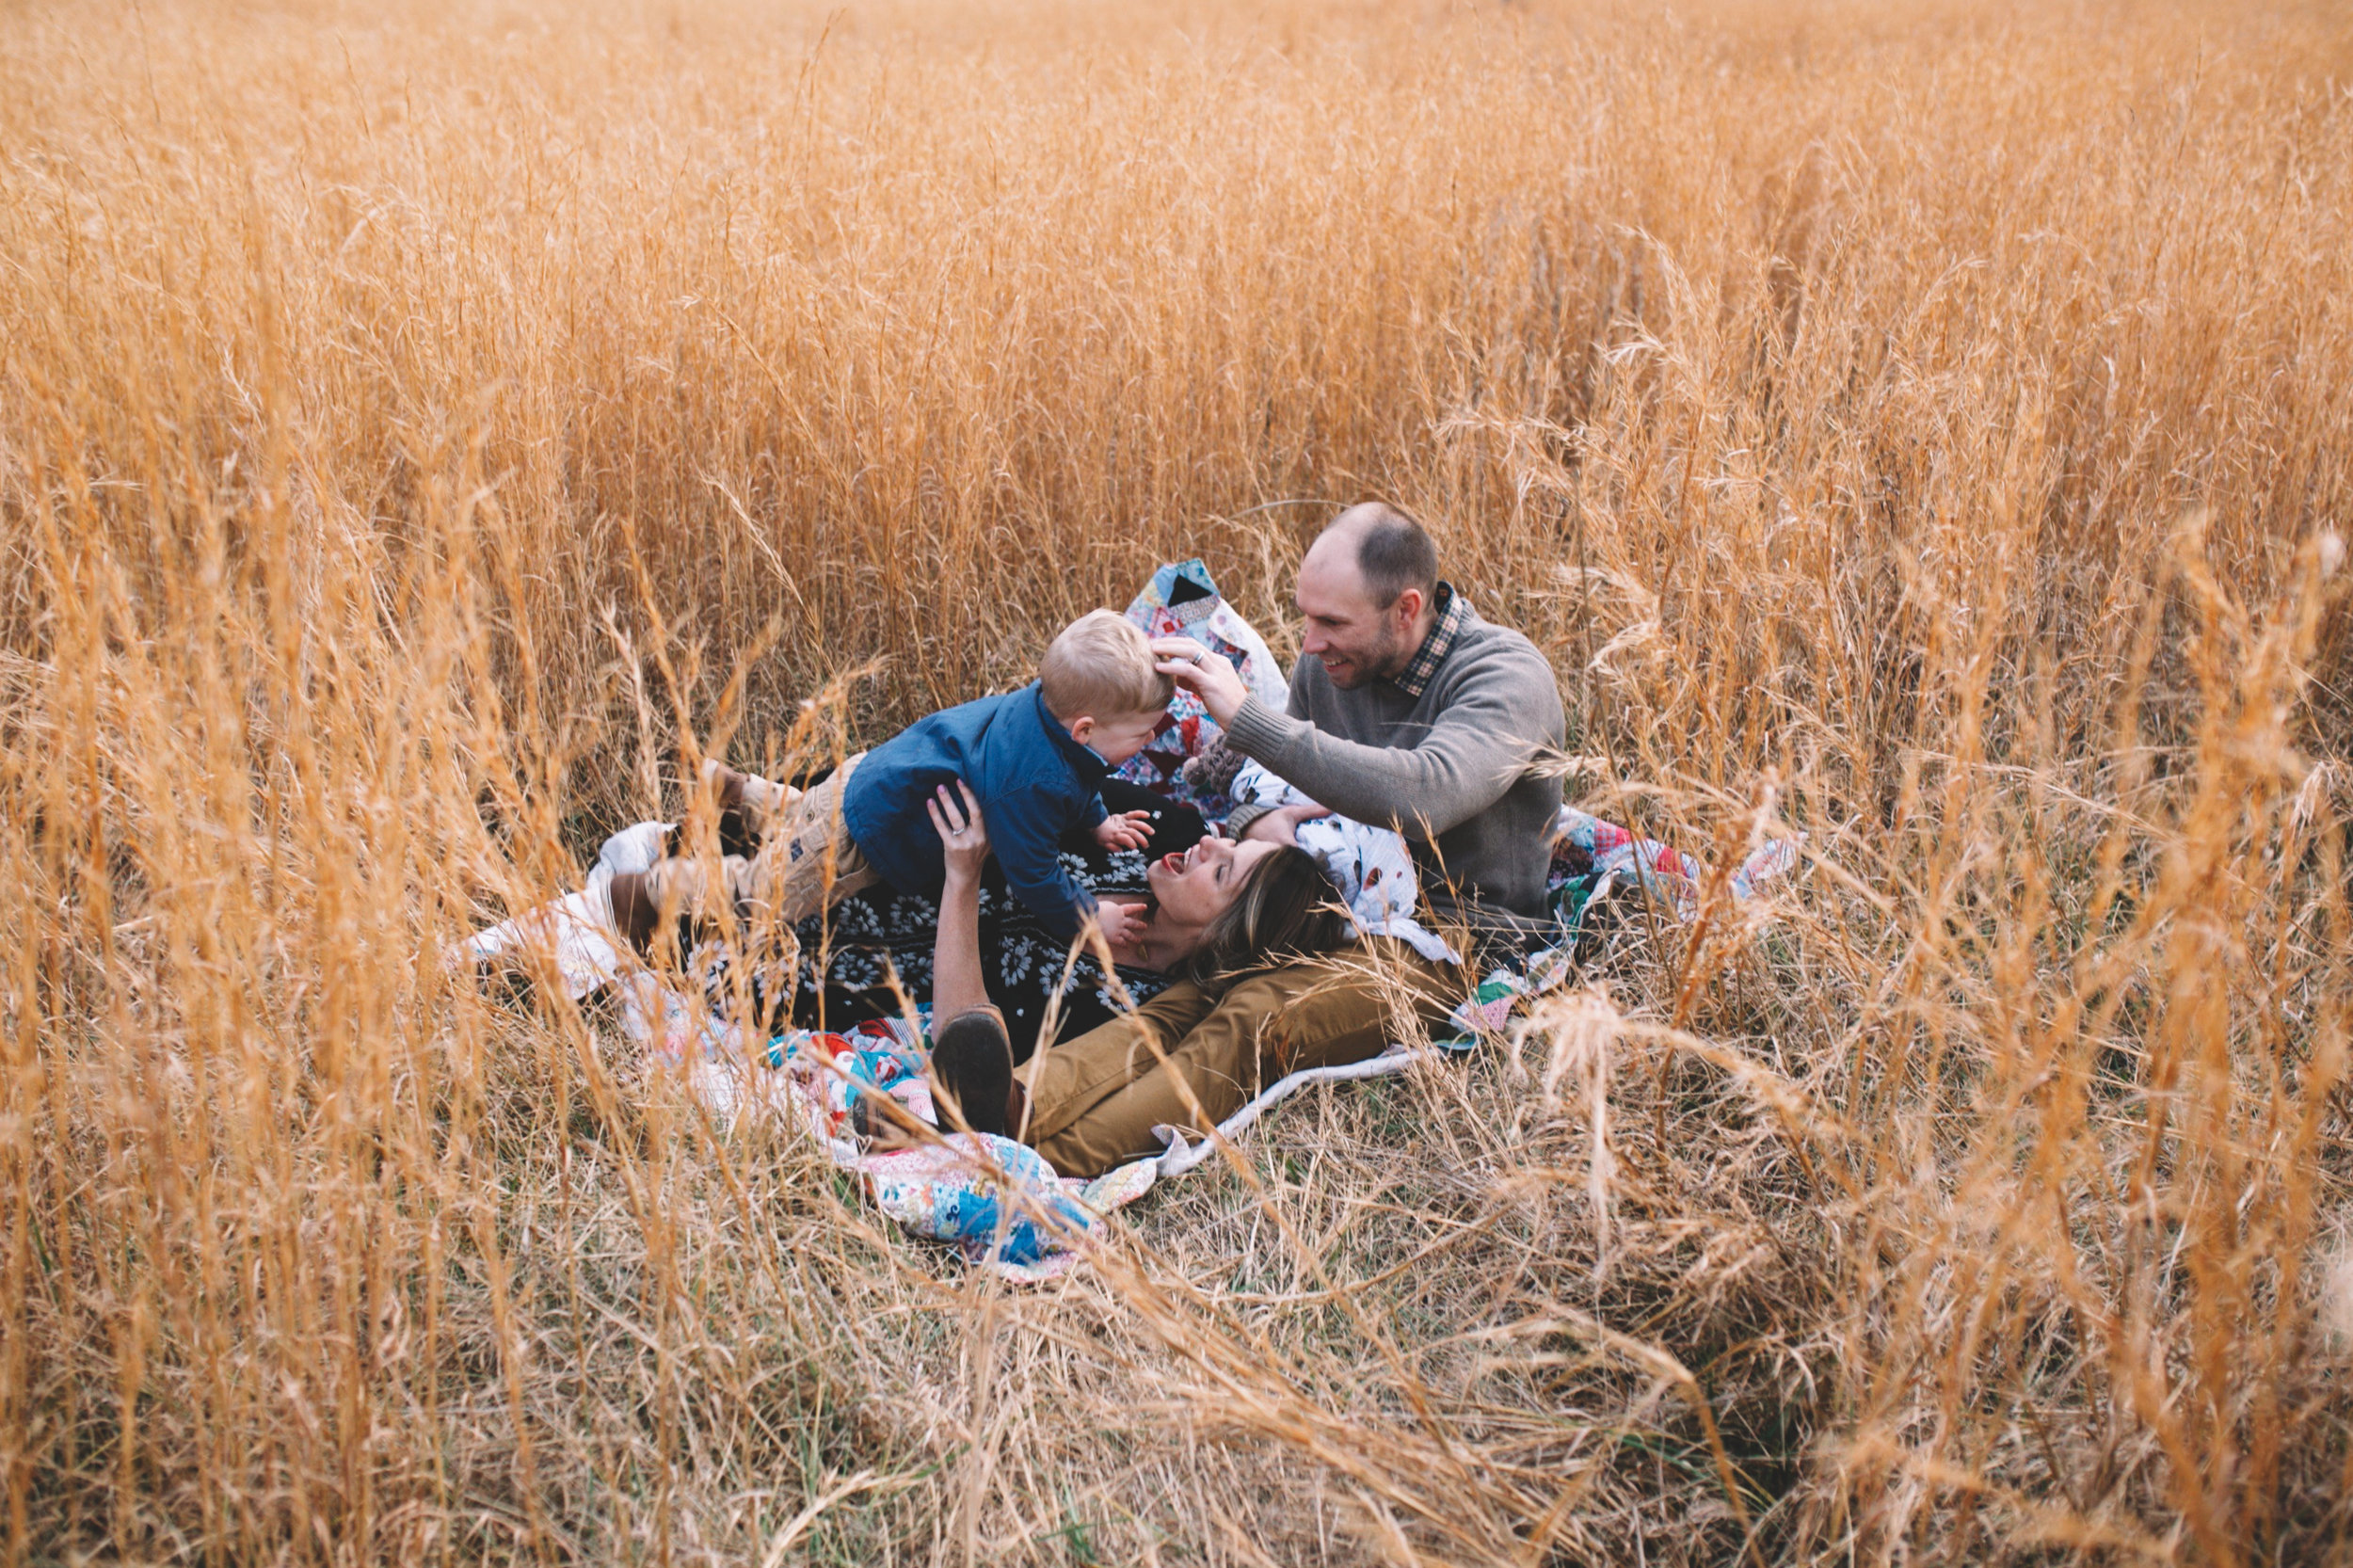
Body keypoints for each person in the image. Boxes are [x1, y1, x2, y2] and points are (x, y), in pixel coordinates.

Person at [916, 779, 1455, 1176]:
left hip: (869, 966)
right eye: (1228, 845)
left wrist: (961, 881)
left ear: (1222, 932)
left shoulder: (1116, 1004)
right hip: (894, 851)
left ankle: (1001, 1150)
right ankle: (974, 1137)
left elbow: (962, 1039)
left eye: (1221, 871)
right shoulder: (1156, 830)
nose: (1210, 842)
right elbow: (1031, 781)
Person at [601, 609, 1171, 959]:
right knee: (768, 892)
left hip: (874, 776)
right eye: (1144, 733)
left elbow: (1084, 769)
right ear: (1086, 728)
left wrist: (1097, 820)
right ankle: (644, 895)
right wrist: (1089, 917)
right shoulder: (1031, 784)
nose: (1150, 741)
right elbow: (1034, 873)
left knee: (809, 814)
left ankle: (734, 791)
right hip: (870, 830)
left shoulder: (1047, 714)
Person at [1155, 501, 1566, 952]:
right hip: (1331, 910)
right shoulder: (1331, 664)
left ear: (1405, 610)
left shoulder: (1506, 676)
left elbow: (1427, 798)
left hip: (1458, 935)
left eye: (1332, 622)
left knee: (1270, 1010)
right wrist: (1257, 821)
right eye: (1306, 615)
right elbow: (1283, 786)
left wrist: (1248, 719)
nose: (1310, 643)